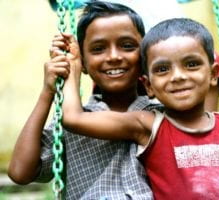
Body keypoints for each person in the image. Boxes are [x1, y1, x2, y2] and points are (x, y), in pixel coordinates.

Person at [60, 18, 219, 199]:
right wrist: (72, 68)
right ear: (149, 85)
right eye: (162, 69)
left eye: (191, 64)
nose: (178, 76)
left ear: (214, 74)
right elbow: (73, 118)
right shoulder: (149, 125)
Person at [8, 1, 159, 199]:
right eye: (98, 49)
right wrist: (48, 92)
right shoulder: (71, 120)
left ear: (144, 56)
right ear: (83, 64)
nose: (113, 56)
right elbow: (20, 173)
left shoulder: (161, 115)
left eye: (127, 46)